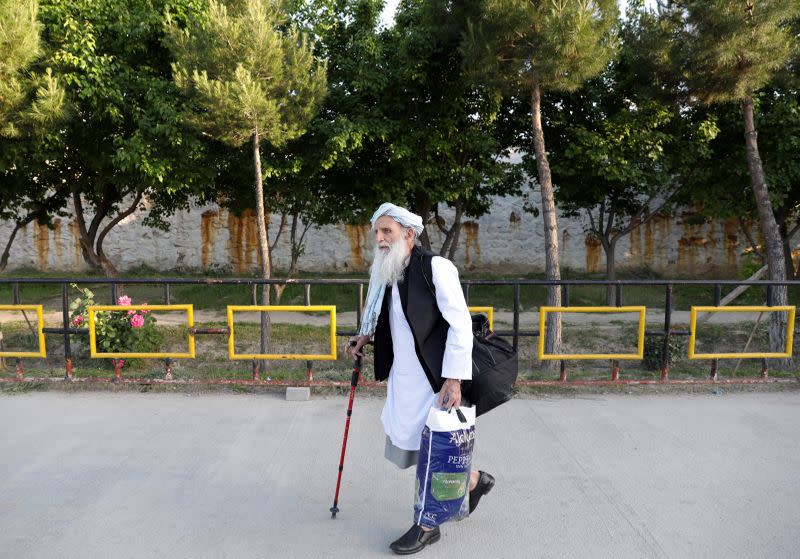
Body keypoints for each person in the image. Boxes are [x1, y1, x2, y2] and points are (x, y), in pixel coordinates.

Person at [349, 202, 495, 555]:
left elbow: (460, 324)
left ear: (409, 234)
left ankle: (427, 524)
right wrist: (365, 334)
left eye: (388, 231)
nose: (380, 239)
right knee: (420, 444)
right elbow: (383, 308)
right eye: (377, 232)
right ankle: (473, 481)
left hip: (436, 376)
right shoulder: (388, 266)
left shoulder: (436, 267)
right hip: (405, 376)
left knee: (435, 449)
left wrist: (454, 380)